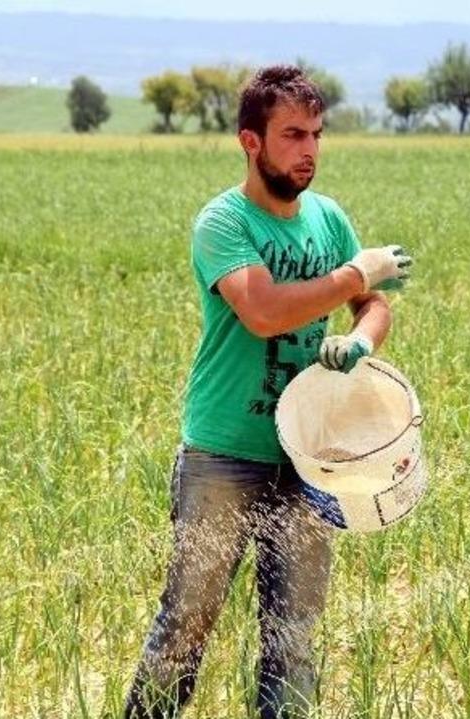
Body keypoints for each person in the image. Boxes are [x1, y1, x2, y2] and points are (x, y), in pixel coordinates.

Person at [123, 64, 413, 719]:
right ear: (250, 141)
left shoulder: (329, 218)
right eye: (291, 135)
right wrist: (352, 274)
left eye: (316, 134)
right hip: (224, 453)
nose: (308, 149)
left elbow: (372, 305)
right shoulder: (223, 222)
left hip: (309, 460)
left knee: (294, 638)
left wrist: (363, 338)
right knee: (186, 625)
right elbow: (262, 310)